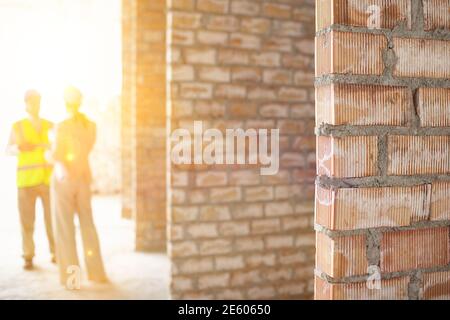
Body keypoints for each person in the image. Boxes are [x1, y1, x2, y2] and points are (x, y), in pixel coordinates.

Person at [51, 86, 107, 287]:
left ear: (65, 102)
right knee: (87, 225)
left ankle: (72, 279)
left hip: (64, 179)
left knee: (66, 229)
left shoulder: (61, 126)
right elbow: (87, 148)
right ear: (80, 101)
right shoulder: (90, 126)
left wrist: (52, 159)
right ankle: (97, 273)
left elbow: (57, 155)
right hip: (83, 177)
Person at [6, 90, 55, 270]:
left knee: (52, 220)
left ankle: (55, 251)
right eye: (32, 102)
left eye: (38, 101)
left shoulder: (50, 125)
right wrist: (19, 148)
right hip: (26, 182)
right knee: (27, 222)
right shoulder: (17, 126)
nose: (36, 105)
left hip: (47, 181)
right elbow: (8, 149)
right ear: (26, 103)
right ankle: (28, 255)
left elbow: (57, 147)